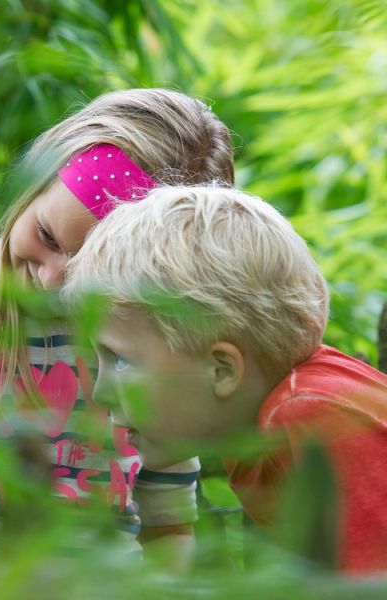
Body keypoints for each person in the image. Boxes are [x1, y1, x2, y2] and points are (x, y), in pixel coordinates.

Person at [0, 89, 235, 561]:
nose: (53, 277)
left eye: (89, 270)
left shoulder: (153, 341)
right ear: (36, 182)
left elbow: (169, 524)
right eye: (46, 236)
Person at [65, 185, 387, 574]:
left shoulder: (310, 416)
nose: (101, 392)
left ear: (222, 370)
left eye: (121, 360)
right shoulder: (253, 427)